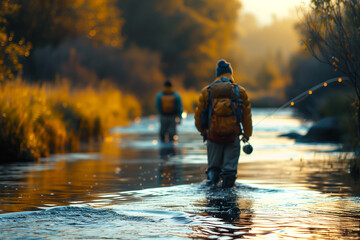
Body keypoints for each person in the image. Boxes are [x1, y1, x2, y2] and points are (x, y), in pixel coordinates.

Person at [194, 59, 252, 188]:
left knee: (213, 170)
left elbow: (198, 116)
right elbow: (246, 116)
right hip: (233, 137)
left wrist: (204, 132)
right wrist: (247, 135)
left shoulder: (207, 91)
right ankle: (228, 196)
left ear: (217, 74)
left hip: (213, 136)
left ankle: (213, 196)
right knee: (229, 170)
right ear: (230, 73)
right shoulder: (240, 91)